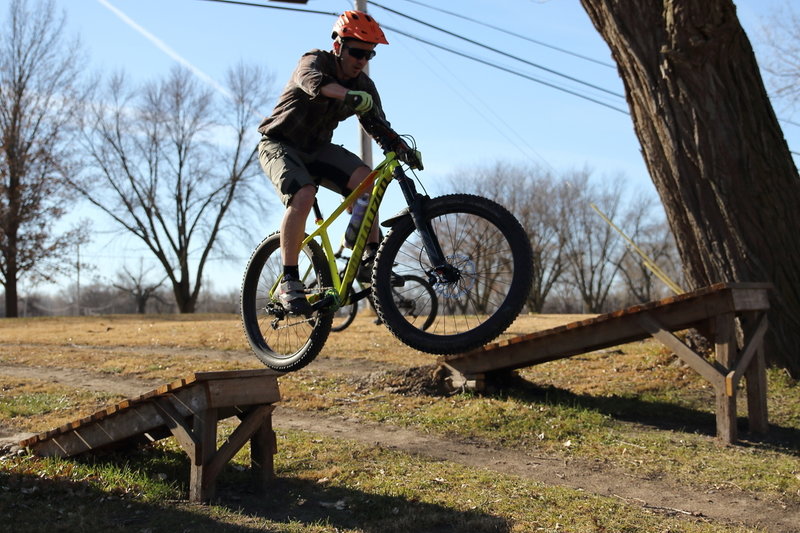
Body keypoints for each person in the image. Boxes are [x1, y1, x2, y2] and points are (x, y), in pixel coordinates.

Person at [257, 10, 421, 317]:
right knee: (303, 194)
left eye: (368, 54)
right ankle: (289, 281)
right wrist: (349, 95)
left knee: (366, 180)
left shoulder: (364, 85)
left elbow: (379, 126)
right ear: (338, 47)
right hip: (279, 143)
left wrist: (402, 149)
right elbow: (312, 83)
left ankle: (371, 258)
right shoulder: (315, 60)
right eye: (356, 52)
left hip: (318, 149)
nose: (362, 60)